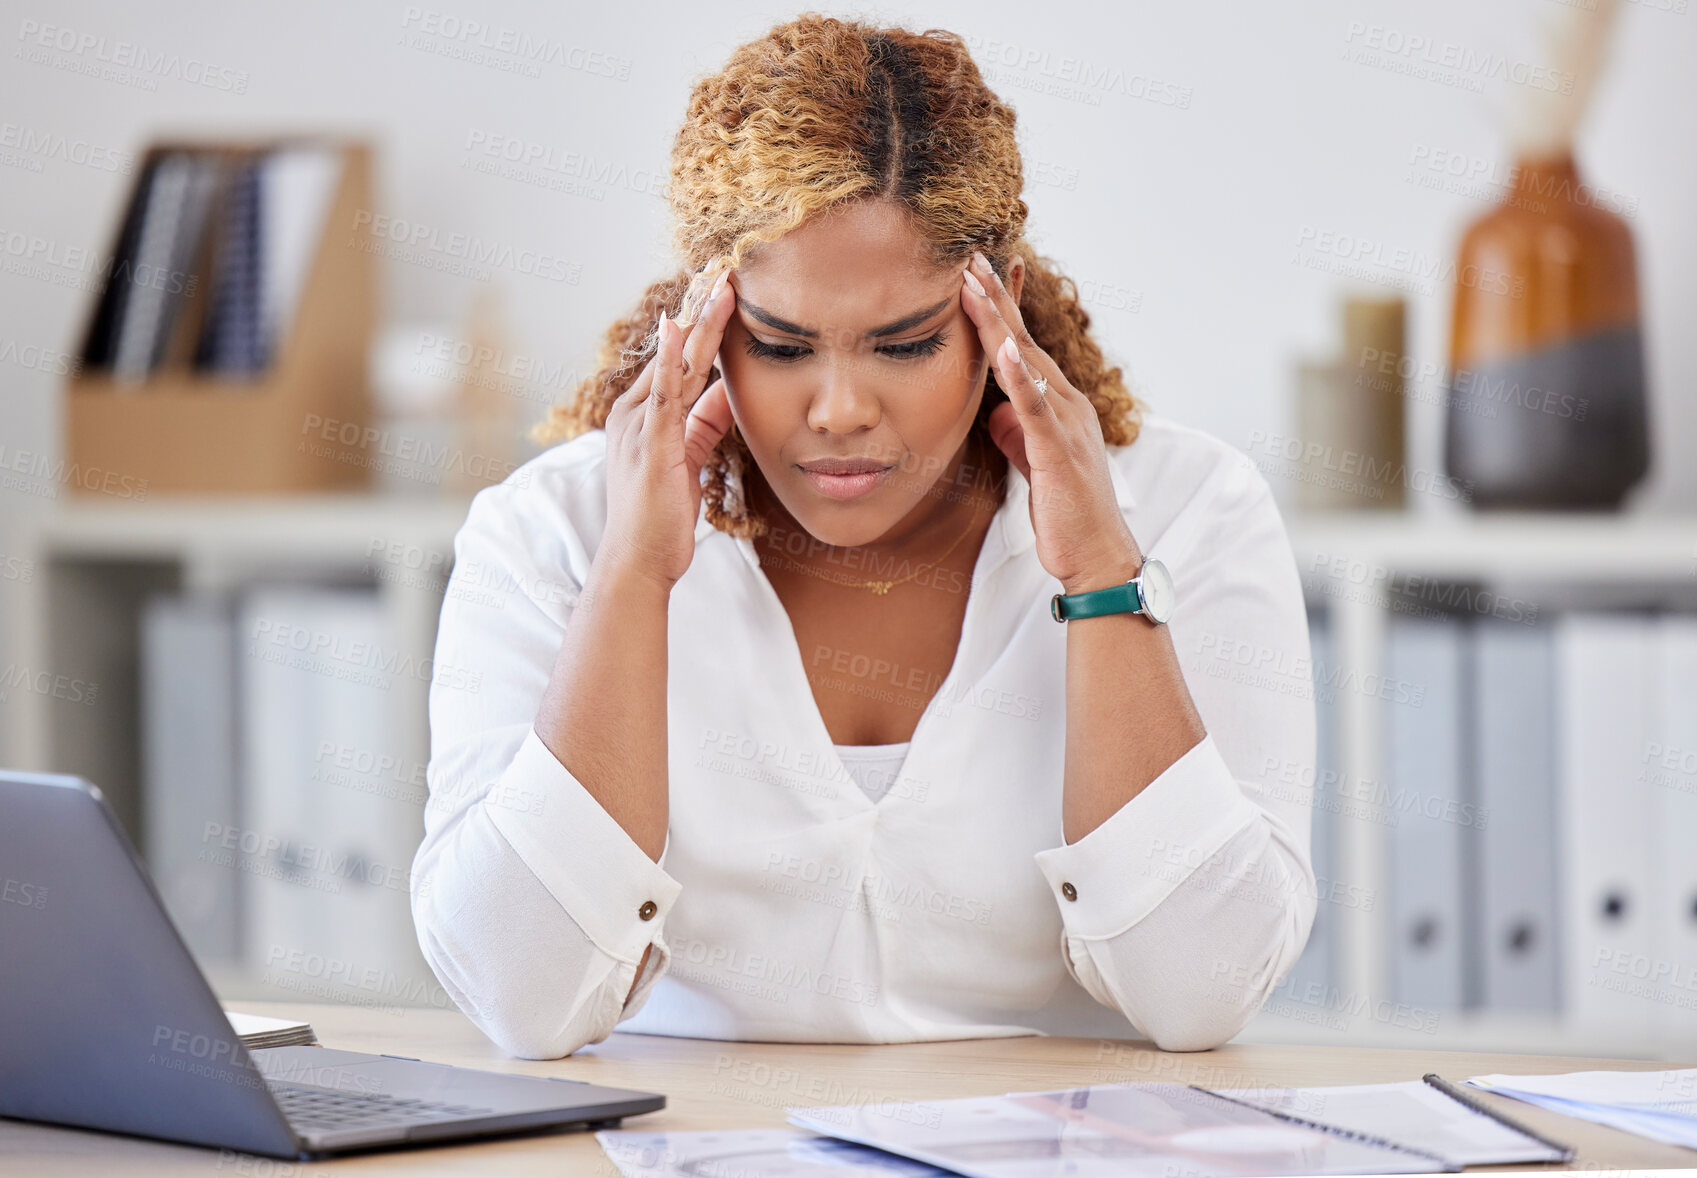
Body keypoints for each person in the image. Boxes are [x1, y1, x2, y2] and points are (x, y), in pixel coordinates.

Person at [410, 13, 1317, 1059]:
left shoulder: (1189, 508)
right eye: (781, 344)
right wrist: (632, 571)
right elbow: (520, 1000)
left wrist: (1101, 574)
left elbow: (1201, 993)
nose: (839, 407)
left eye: (904, 342)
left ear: (996, 309)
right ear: (701, 316)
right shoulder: (550, 531)